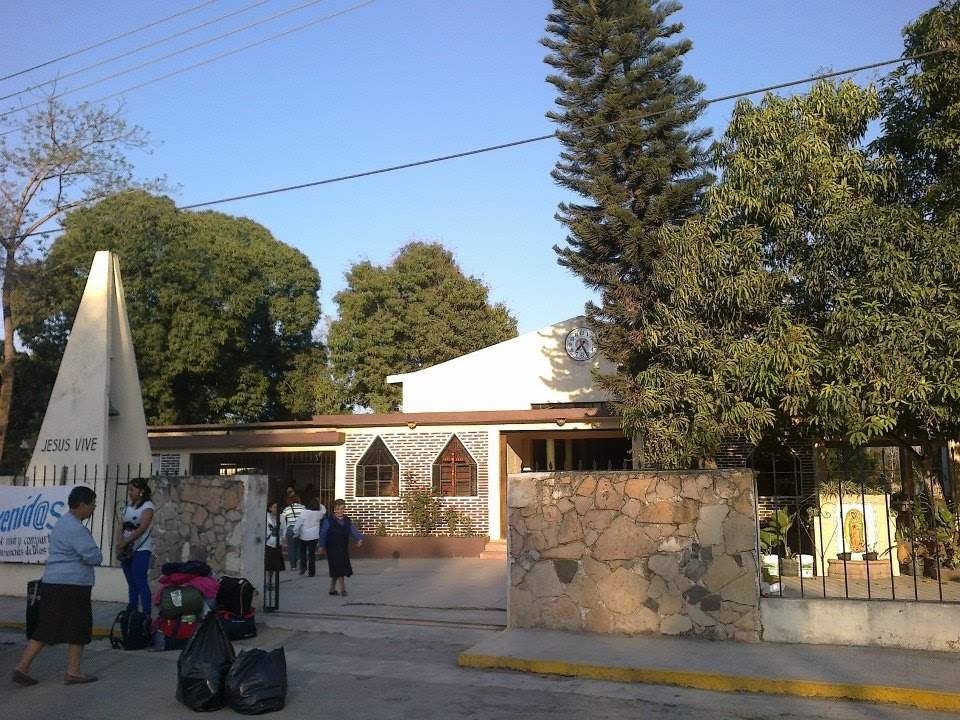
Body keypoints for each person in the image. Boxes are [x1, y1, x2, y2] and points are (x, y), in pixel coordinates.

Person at [13, 486, 102, 687]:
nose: (93, 509)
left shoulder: (62, 522)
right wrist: (98, 554)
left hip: (53, 582)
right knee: (79, 626)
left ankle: (23, 666)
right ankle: (73, 671)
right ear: (82, 505)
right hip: (72, 584)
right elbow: (93, 556)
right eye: (92, 504)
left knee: (46, 626)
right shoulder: (76, 528)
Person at [116, 478, 155, 617]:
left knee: (140, 582)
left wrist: (126, 541)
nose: (130, 493)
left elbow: (142, 528)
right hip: (127, 549)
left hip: (141, 548)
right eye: (129, 490)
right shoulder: (129, 506)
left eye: (132, 490)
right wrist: (119, 541)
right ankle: (132, 611)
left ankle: (146, 615)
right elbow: (121, 524)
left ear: (141, 491)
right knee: (131, 583)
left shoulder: (148, 507)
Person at [318, 499, 363, 596]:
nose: (340, 511)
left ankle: (332, 589)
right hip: (332, 548)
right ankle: (343, 589)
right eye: (337, 509)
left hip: (343, 547)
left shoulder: (347, 520)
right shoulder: (328, 520)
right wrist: (321, 546)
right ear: (334, 509)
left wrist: (359, 538)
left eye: (342, 509)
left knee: (336, 568)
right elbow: (323, 533)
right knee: (339, 567)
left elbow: (352, 530)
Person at [293, 498, 326, 577]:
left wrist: (295, 532)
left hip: (304, 536)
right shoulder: (319, 513)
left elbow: (298, 524)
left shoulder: (304, 513)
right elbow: (324, 510)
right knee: (312, 555)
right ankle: (312, 572)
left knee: (303, 553)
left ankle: (303, 567)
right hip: (314, 536)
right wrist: (319, 503)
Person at [281, 494, 305, 571]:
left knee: (291, 547)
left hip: (290, 528)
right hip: (300, 529)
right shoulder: (303, 508)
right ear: (299, 500)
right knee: (299, 546)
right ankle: (299, 561)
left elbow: (282, 519)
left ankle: (293, 566)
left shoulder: (286, 509)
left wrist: (283, 532)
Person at [264, 501, 285, 590]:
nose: (276, 509)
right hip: (268, 543)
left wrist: (282, 538)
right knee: (268, 565)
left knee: (275, 565)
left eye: (277, 507)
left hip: (277, 543)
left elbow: (284, 529)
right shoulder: (266, 517)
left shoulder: (282, 518)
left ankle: (271, 581)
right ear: (270, 508)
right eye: (274, 507)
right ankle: (267, 581)